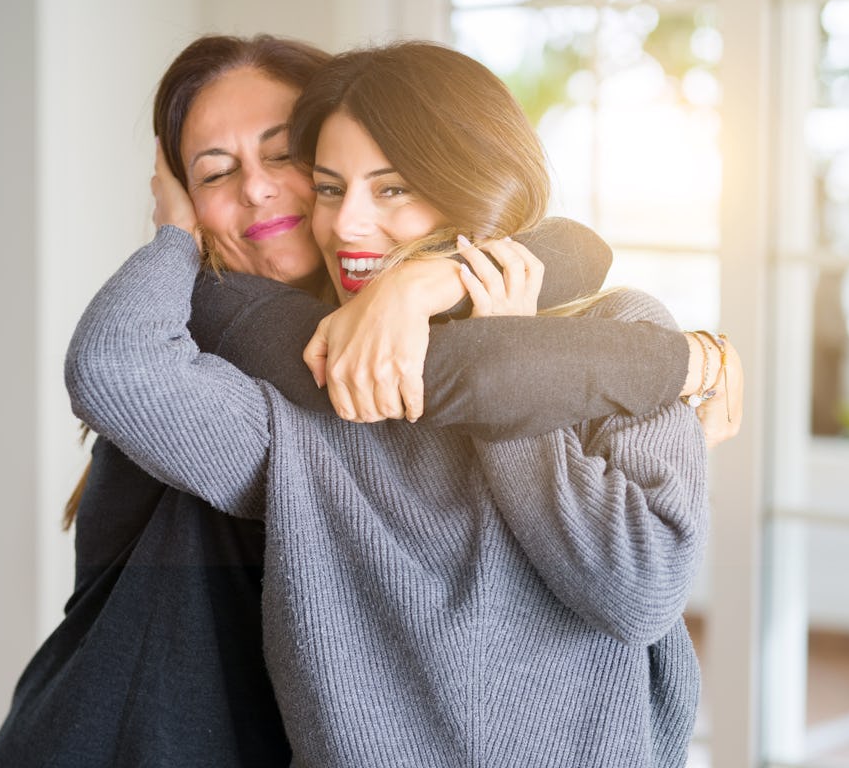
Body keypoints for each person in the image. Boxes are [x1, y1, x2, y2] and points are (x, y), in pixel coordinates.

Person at [65, 39, 726, 767]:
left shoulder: (618, 330)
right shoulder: (289, 403)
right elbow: (113, 366)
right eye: (329, 186)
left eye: (391, 188)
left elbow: (637, 591)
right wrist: (172, 236)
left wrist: (501, 358)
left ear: (465, 181)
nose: (345, 223)